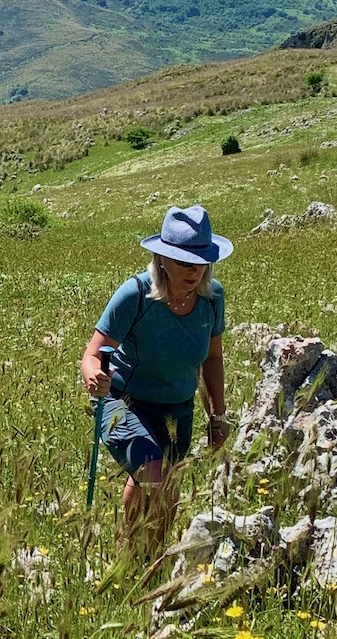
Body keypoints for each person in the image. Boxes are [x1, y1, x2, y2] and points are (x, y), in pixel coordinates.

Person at [81, 204, 232, 550]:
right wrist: (93, 378)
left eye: (201, 261)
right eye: (183, 262)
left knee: (166, 487)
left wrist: (218, 416)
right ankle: (128, 554)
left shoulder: (213, 298)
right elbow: (91, 355)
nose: (194, 271)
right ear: (163, 259)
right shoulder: (135, 294)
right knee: (155, 473)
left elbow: (213, 357)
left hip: (177, 408)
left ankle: (148, 558)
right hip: (122, 401)